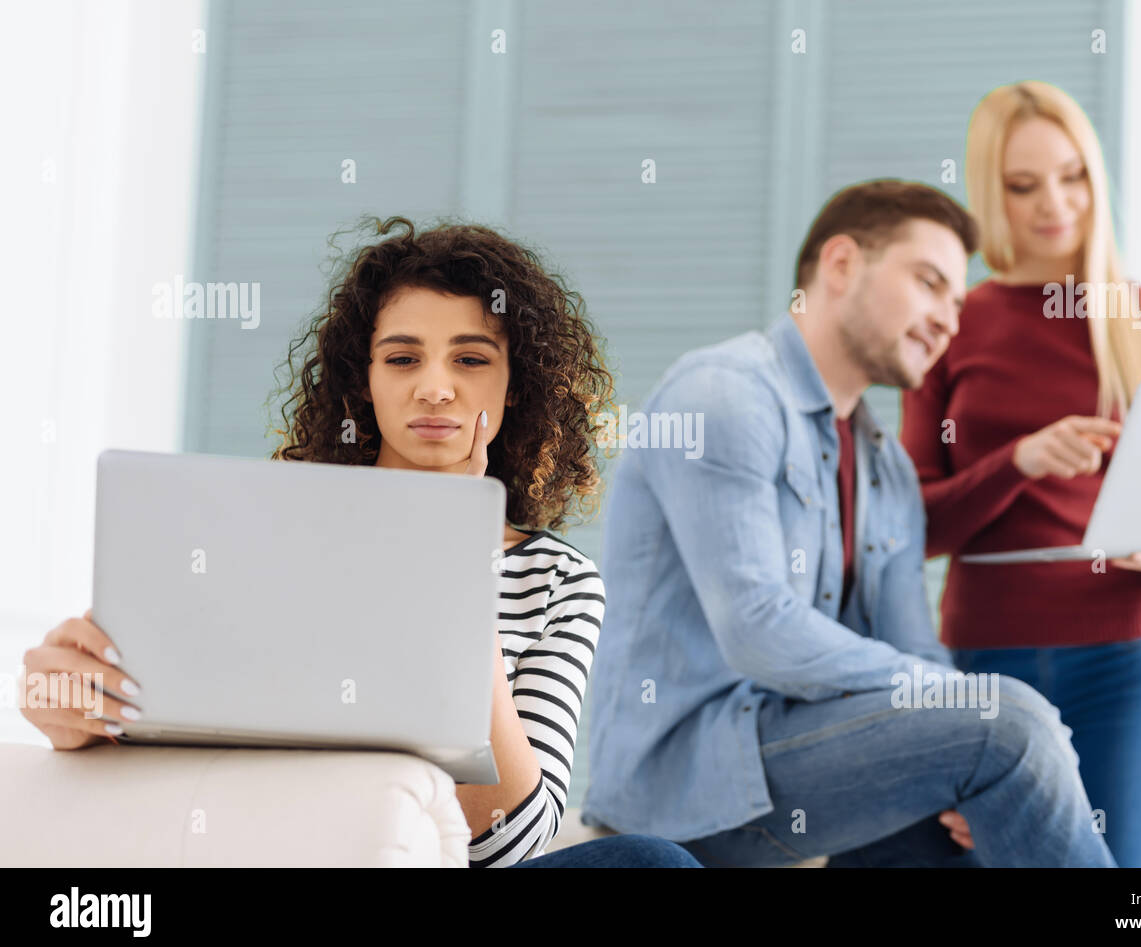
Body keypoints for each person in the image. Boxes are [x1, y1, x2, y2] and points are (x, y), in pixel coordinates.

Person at [20, 216, 700, 869]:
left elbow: (505, 844)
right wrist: (65, 707)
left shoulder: (558, 580)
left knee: (650, 861)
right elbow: (142, 712)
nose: (435, 387)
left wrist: (455, 563)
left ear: (515, 385)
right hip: (281, 849)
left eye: (470, 358)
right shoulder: (256, 526)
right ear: (365, 380)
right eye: (402, 357)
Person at [581, 180, 1115, 867]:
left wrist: (961, 723)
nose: (950, 321)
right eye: (929, 283)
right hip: (687, 780)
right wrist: (987, 713)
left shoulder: (886, 468)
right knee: (1006, 726)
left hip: (803, 763)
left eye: (957, 302)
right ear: (840, 265)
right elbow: (758, 630)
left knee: (971, 811)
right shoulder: (724, 394)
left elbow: (914, 649)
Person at [900, 82, 1141, 868]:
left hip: (1126, 659)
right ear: (991, 193)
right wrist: (1015, 463)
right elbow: (911, 528)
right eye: (1023, 185)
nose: (1055, 202)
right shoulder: (950, 325)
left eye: (1073, 175)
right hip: (983, 668)